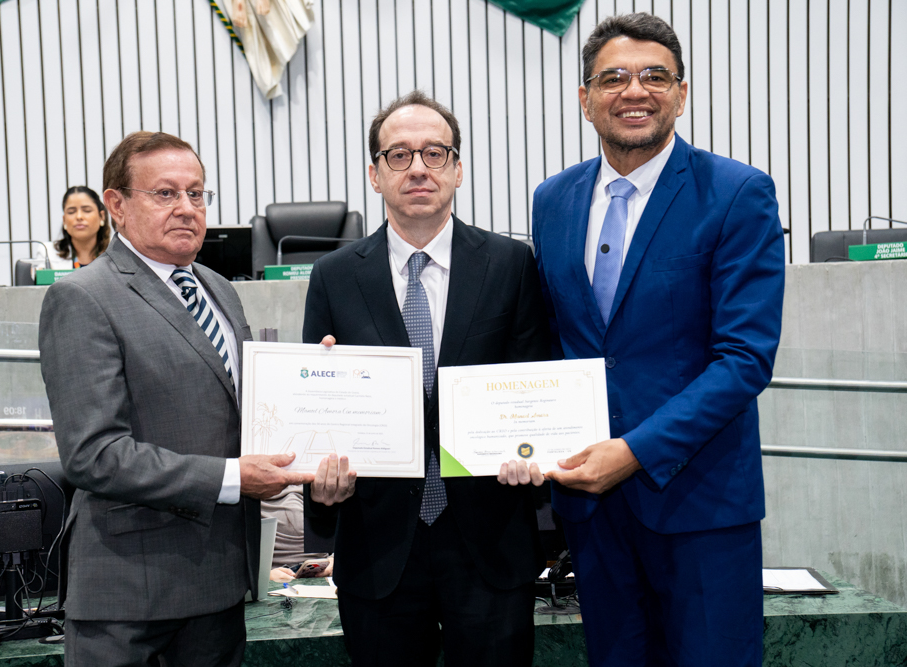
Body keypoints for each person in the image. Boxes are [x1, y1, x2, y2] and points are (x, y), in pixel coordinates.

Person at [532, 13, 785, 666]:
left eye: (655, 76)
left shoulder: (737, 193)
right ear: (585, 98)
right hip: (591, 512)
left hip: (701, 504)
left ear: (681, 92)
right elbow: (555, 338)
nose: (634, 91)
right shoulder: (552, 201)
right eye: (613, 78)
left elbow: (744, 359)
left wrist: (633, 452)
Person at [38, 131, 314, 667]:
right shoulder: (82, 297)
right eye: (165, 193)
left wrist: (318, 382)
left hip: (219, 588)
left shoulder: (218, 288)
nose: (187, 208)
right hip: (129, 598)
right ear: (116, 204)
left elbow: (243, 407)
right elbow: (94, 455)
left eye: (197, 193)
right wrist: (233, 478)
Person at [302, 90, 552, 666]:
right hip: (378, 545)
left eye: (435, 153)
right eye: (399, 155)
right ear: (375, 174)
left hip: (490, 541)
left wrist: (531, 451)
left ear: (457, 169)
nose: (418, 168)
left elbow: (533, 380)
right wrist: (322, 480)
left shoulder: (510, 264)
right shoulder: (334, 276)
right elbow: (317, 408)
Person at [35, 186, 111, 269]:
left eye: (87, 210)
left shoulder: (116, 251)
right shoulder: (48, 253)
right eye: (71, 212)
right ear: (64, 220)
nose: (79, 216)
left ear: (101, 216)